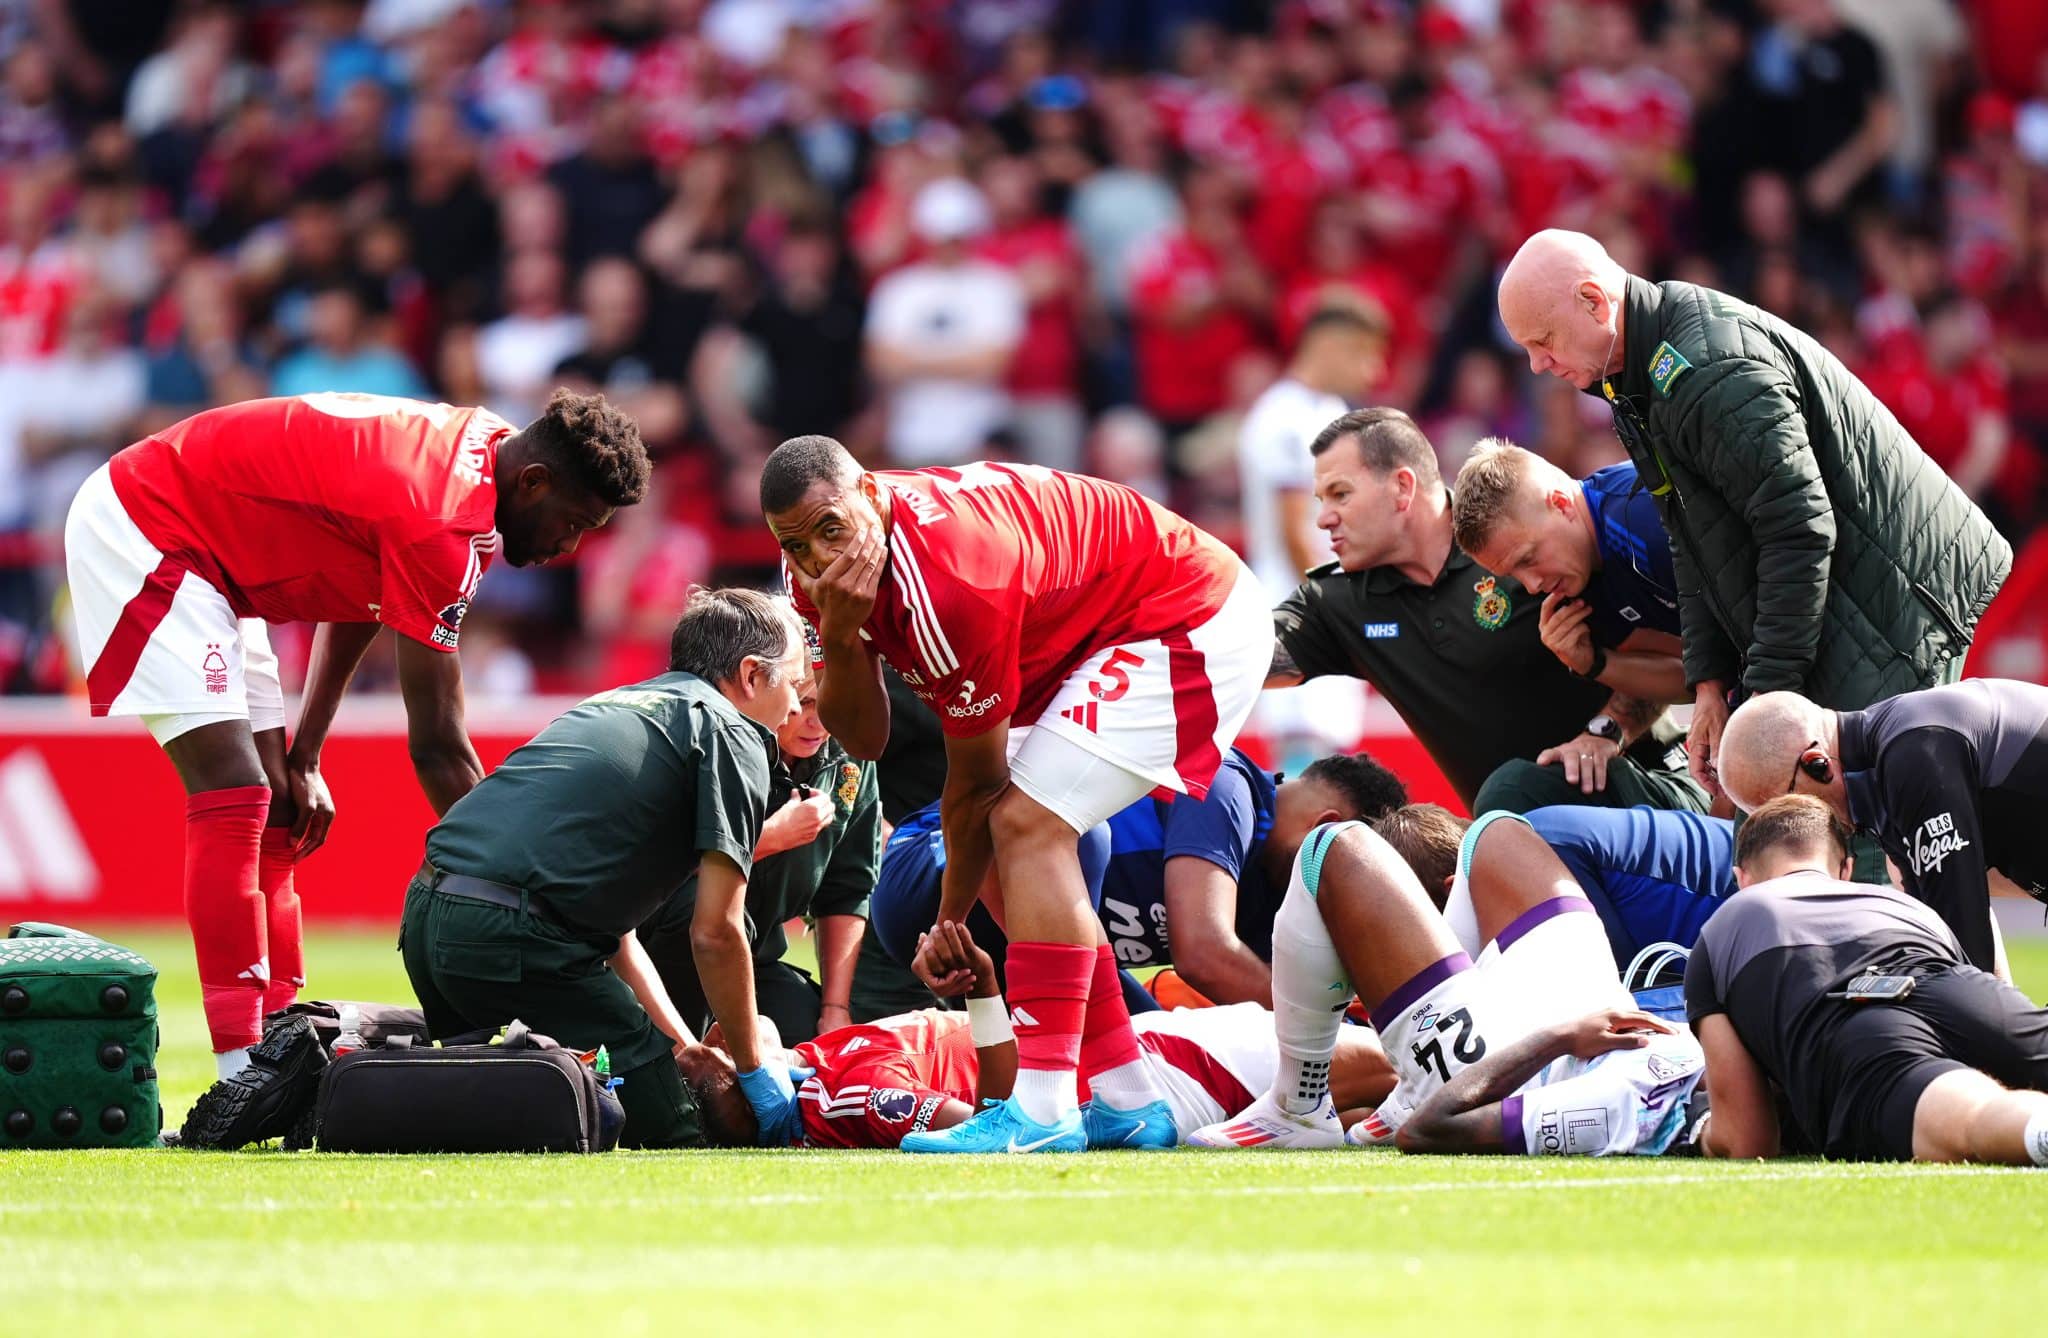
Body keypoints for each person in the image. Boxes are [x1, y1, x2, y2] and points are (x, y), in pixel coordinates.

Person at [62, 390, 648, 1080]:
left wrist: (307, 751)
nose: (569, 547)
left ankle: (282, 1043)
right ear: (534, 482)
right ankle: (240, 1070)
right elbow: (437, 746)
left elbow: (370, 584)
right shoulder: (444, 520)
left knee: (282, 800)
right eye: (573, 523)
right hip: (149, 524)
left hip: (212, 553)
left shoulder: (485, 449)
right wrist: (527, 886)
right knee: (236, 789)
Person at [761, 435, 1271, 1153]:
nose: (817, 559)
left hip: (1183, 610)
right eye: (795, 544)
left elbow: (973, 789)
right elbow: (866, 740)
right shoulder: (815, 576)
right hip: (1081, 628)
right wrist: (842, 637)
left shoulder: (951, 584)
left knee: (1024, 825)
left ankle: (1043, 1108)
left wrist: (947, 919)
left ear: (871, 495)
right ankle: (1127, 1098)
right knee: (1017, 841)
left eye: (829, 530)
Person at [1495, 228, 2010, 812]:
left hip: (1893, 603)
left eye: (1543, 341)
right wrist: (1712, 681)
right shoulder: (1635, 369)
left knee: (1875, 841)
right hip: (1851, 593)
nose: (1538, 365)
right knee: (1826, 835)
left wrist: (1764, 697)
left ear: (1594, 301)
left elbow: (1798, 529)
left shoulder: (1705, 369)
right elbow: (1694, 538)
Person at [384, 588, 806, 1151]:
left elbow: (616, 931)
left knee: (505, 1118)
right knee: (680, 1129)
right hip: (515, 939)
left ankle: (357, 1074)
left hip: (427, 919)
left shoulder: (614, 703)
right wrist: (755, 1071)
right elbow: (717, 930)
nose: (797, 709)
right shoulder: (733, 731)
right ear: (752, 675)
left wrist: (682, 1045)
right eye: (795, 685)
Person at [1267, 407, 1695, 813]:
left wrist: (1605, 730)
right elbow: (1241, 658)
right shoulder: (1336, 602)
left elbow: (1676, 660)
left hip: (1646, 790)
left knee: (1508, 796)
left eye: (1340, 494)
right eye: (1320, 499)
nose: (1323, 519)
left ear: (1402, 486)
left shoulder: (1528, 540)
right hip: (1521, 836)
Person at [677, 921, 1393, 1150]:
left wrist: (987, 1000)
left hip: (1127, 1061)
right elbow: (990, 1125)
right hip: (1143, 1076)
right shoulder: (836, 1095)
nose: (718, 1030)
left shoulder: (829, 1062)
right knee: (1393, 1061)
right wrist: (988, 1004)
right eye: (715, 1049)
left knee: (1371, 1098)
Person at [1184, 810, 1641, 1149]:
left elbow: (1431, 1130)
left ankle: (1297, 1108)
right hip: (1599, 1020)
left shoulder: (1658, 1112)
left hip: (1526, 1075)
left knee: (1331, 847)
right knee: (1498, 830)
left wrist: (1558, 1037)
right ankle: (1412, 1078)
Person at [868, 749, 1409, 1007]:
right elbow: (1204, 956)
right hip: (937, 870)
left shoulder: (1277, 897)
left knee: (1127, 1042)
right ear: (1328, 827)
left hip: (1008, 952)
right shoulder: (1226, 786)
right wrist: (1335, 1035)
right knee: (1085, 840)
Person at [1685, 794, 2048, 1166]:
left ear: (1741, 877)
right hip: (1959, 988)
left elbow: (1748, 1138)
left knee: (1974, 1116)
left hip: (1860, 1026)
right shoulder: (1909, 908)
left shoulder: (1721, 931)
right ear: (1846, 868)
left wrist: (1700, 1126)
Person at [640, 636, 881, 1045]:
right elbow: (658, 871)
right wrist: (772, 837)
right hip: (663, 957)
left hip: (755, 960)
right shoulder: (718, 738)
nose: (819, 722)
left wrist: (835, 1010)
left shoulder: (850, 754)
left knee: (815, 1044)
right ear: (767, 687)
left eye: (831, 703)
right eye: (804, 702)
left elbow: (848, 888)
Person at [1714, 681, 2048, 975]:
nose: (1796, 830)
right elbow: (1959, 942)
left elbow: (1965, 947)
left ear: (1817, 764)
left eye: (1790, 807)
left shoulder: (1911, 757)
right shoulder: (1884, 764)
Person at [1452, 441, 1704, 813]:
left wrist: (1720, 692)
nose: (1532, 584)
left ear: (1560, 502)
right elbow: (1689, 678)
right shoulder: (1572, 587)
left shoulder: (1645, 511)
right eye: (1514, 574)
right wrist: (1597, 663)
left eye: (1529, 559)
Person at [1374, 801, 1737, 974]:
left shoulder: (1529, 854)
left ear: (1453, 889)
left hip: (1747, 909)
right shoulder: (1527, 834)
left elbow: (1612, 991)